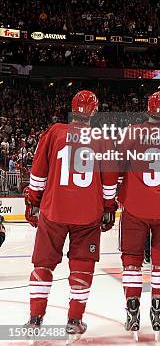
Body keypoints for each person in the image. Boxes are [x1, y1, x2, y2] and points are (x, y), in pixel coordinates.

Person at [24, 90, 118, 340]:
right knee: (82, 267)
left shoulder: (55, 131)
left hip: (53, 210)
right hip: (88, 215)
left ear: (72, 108)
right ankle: (74, 320)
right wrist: (108, 208)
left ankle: (35, 318)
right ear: (94, 112)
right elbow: (109, 183)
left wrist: (33, 200)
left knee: (43, 264)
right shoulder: (102, 138)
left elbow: (38, 173)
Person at [116, 91, 160, 339]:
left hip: (135, 206)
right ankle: (158, 308)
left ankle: (133, 310)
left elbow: (119, 164)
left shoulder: (132, 132)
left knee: (132, 261)